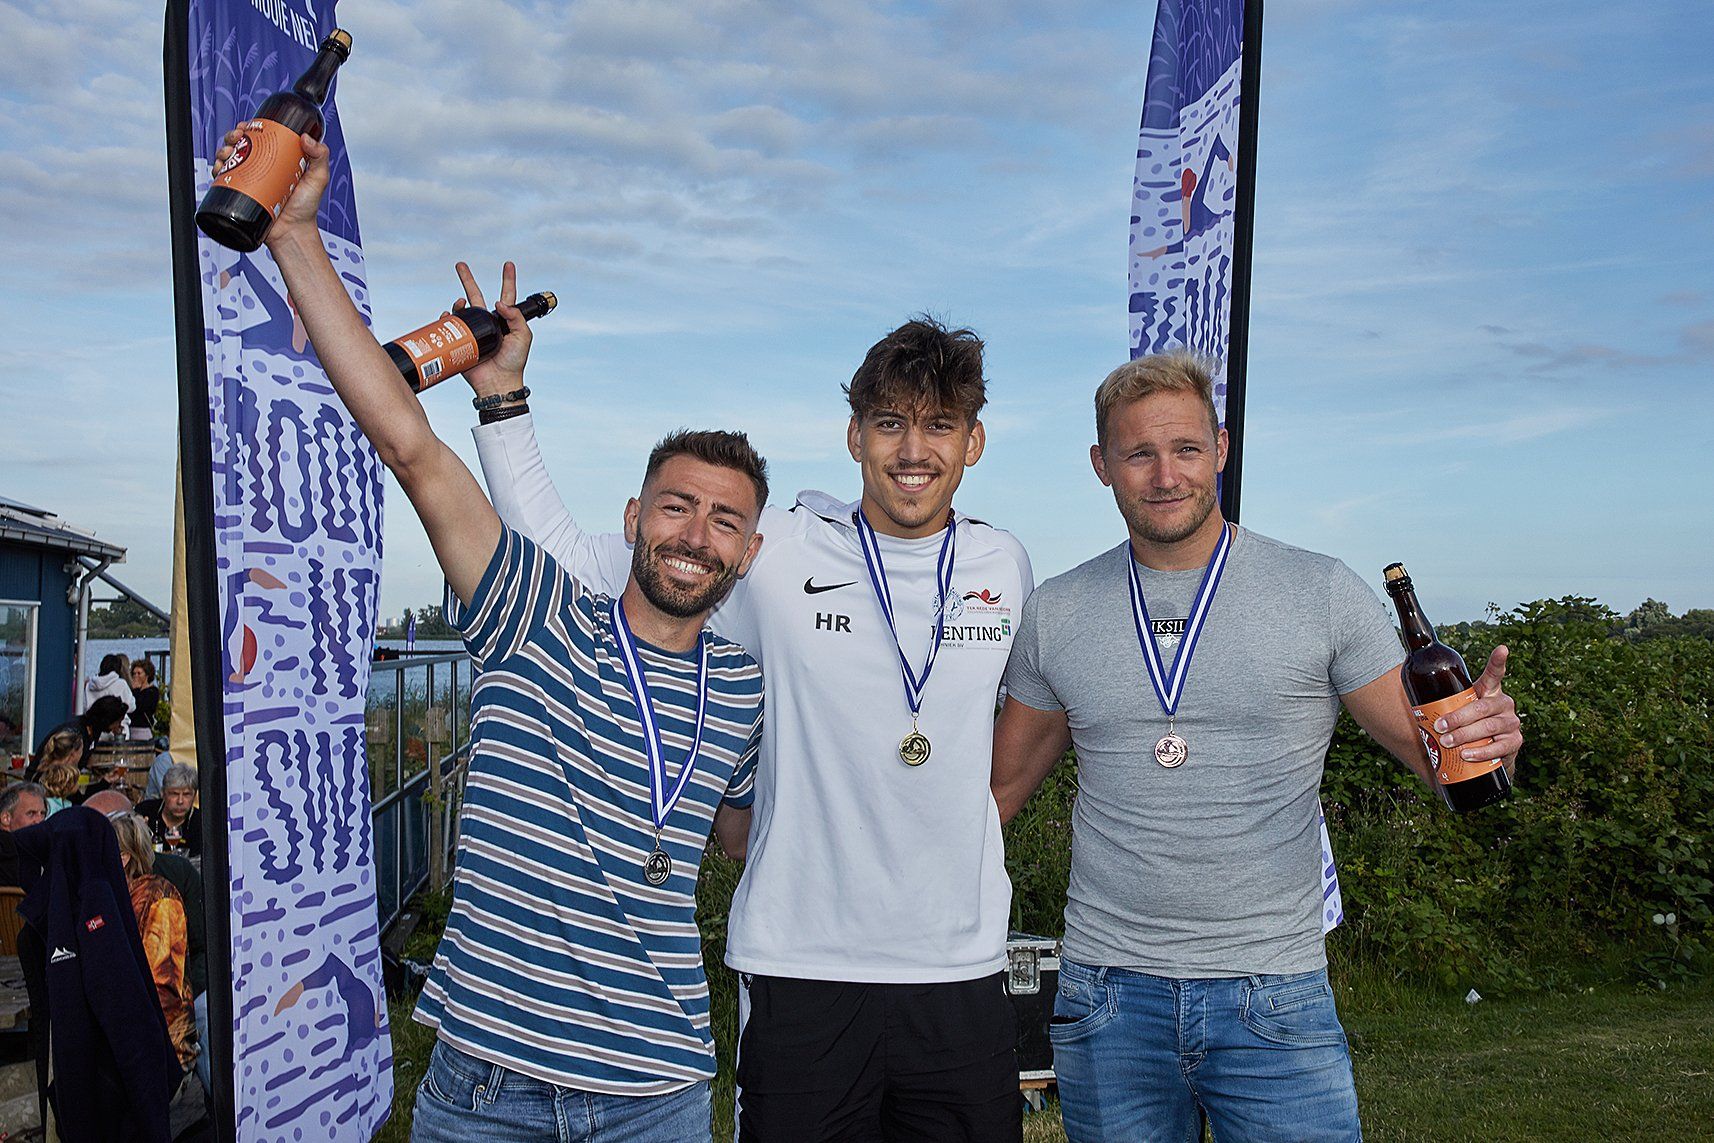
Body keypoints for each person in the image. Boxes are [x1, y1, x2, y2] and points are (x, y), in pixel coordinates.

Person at [218, 126, 769, 1139]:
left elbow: (742, 836)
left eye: (725, 520)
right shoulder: (533, 612)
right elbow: (410, 446)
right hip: (486, 1089)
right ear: (634, 518)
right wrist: (294, 234)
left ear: (751, 551)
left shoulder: (743, 688)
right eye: (676, 506)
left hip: (658, 1093)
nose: (696, 535)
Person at [472, 310, 1031, 1134]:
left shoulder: (1003, 564)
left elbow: (1028, 717)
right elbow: (567, 558)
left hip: (961, 968)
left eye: (939, 425)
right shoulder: (776, 553)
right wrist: (503, 402)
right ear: (854, 436)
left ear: (973, 441)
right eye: (889, 423)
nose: (913, 451)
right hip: (799, 965)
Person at [990, 352, 1523, 1142]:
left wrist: (1490, 740)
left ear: (1221, 448)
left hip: (1273, 993)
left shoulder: (1322, 592)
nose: (1166, 475)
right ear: (1102, 464)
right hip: (1107, 997)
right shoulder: (1057, 611)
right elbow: (995, 795)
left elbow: (1443, 761)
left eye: (1186, 448)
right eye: (1139, 453)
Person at [30, 694, 128, 780]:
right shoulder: (75, 733)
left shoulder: (93, 731)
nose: (119, 726)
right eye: (118, 722)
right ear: (107, 720)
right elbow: (59, 769)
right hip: (45, 783)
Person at [137, 763, 201, 858]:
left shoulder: (200, 822)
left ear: (195, 795)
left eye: (186, 794)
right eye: (174, 794)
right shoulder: (145, 811)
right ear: (163, 793)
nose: (180, 801)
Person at [0, 781, 47, 886]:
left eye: (42, 814)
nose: (39, 821)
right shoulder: (13, 850)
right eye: (31, 813)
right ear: (6, 818)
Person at [83, 653, 136, 738]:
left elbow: (85, 707)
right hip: (117, 729)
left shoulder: (90, 685)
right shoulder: (121, 684)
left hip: (95, 730)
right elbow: (131, 706)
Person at [130, 660, 161, 742]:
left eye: (139, 673)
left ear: (147, 675)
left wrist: (136, 690)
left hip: (143, 730)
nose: (136, 676)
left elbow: (141, 706)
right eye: (134, 674)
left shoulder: (152, 691)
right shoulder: (131, 691)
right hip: (131, 728)